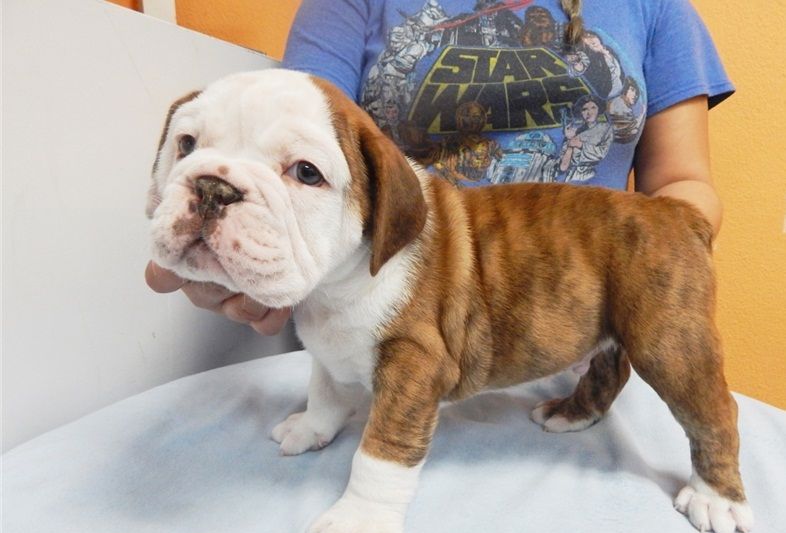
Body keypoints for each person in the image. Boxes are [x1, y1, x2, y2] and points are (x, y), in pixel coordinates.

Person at [146, 0, 733, 335]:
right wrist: (238, 243)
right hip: (384, 330)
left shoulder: (654, 6)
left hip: (573, 331)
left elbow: (681, 185)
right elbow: (295, 145)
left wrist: (648, 274)